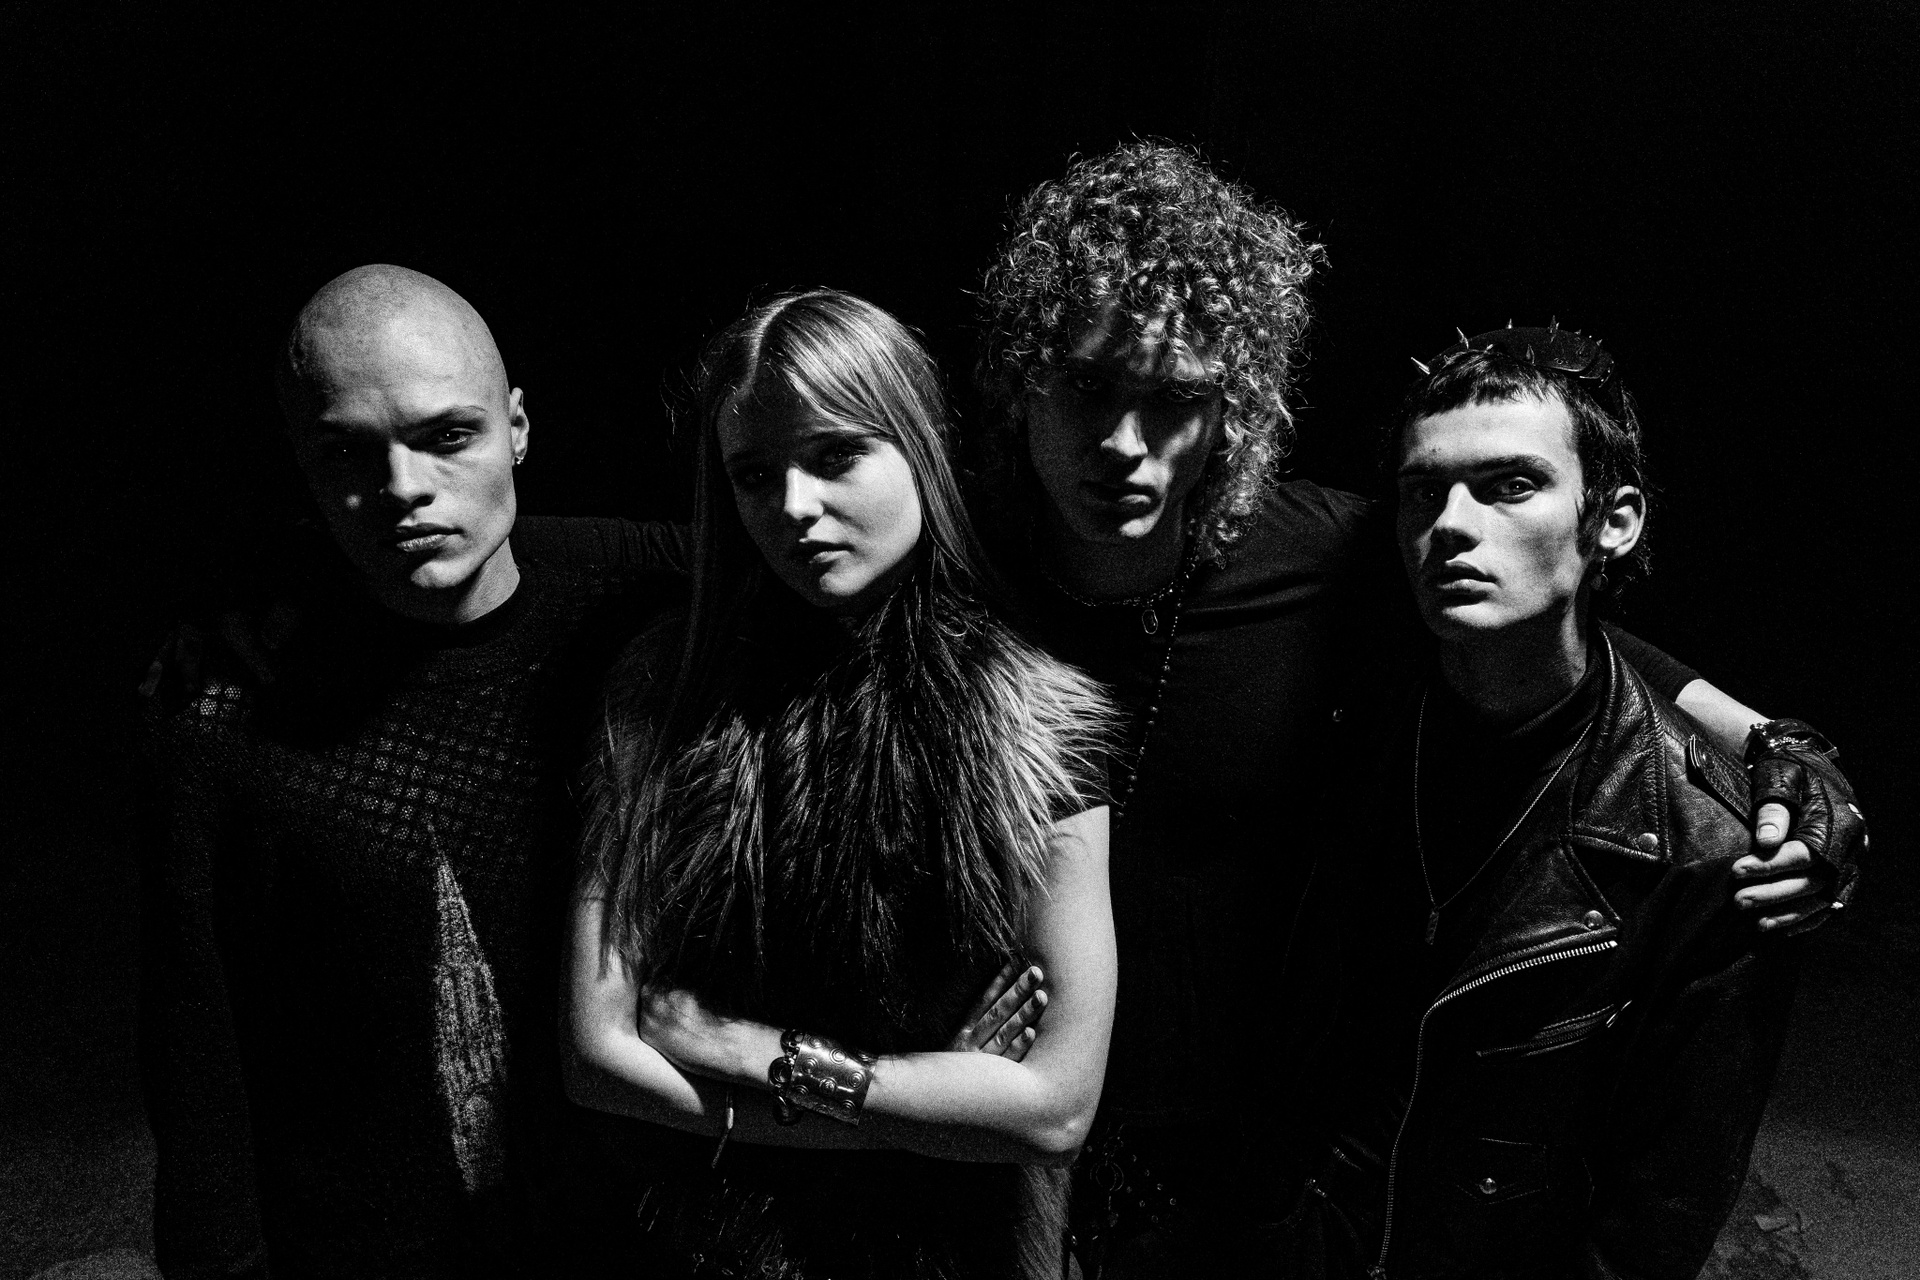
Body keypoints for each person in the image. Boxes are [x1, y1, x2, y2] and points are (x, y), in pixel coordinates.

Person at [968, 142, 1863, 1275]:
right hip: (1000, 1098)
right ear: (1022, 381)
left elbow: (1549, 619)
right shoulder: (952, 559)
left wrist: (1774, 742)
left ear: (1233, 410)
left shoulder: (1310, 554)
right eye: (1089, 386)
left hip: (1227, 1146)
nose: (1123, 443)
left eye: (1176, 399)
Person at [137, 265, 689, 1277]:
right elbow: (198, 1060)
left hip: (636, 1232)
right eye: (348, 452)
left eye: (447, 436)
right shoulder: (225, 713)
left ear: (516, 427)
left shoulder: (633, 617)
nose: (401, 488)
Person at [566, 289, 1121, 1279]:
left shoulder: (1037, 717)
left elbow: (1054, 1111)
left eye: (834, 456)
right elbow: (599, 1058)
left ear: (919, 445)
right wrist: (934, 1116)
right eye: (753, 474)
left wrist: (752, 1053)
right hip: (710, 1253)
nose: (792, 507)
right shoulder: (666, 689)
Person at [1285, 324, 1821, 1278]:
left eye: (1511, 485)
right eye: (1425, 491)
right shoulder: (1338, 724)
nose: (1452, 524)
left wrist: (1791, 749)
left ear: (1613, 521)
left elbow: (1655, 1218)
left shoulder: (1706, 853)